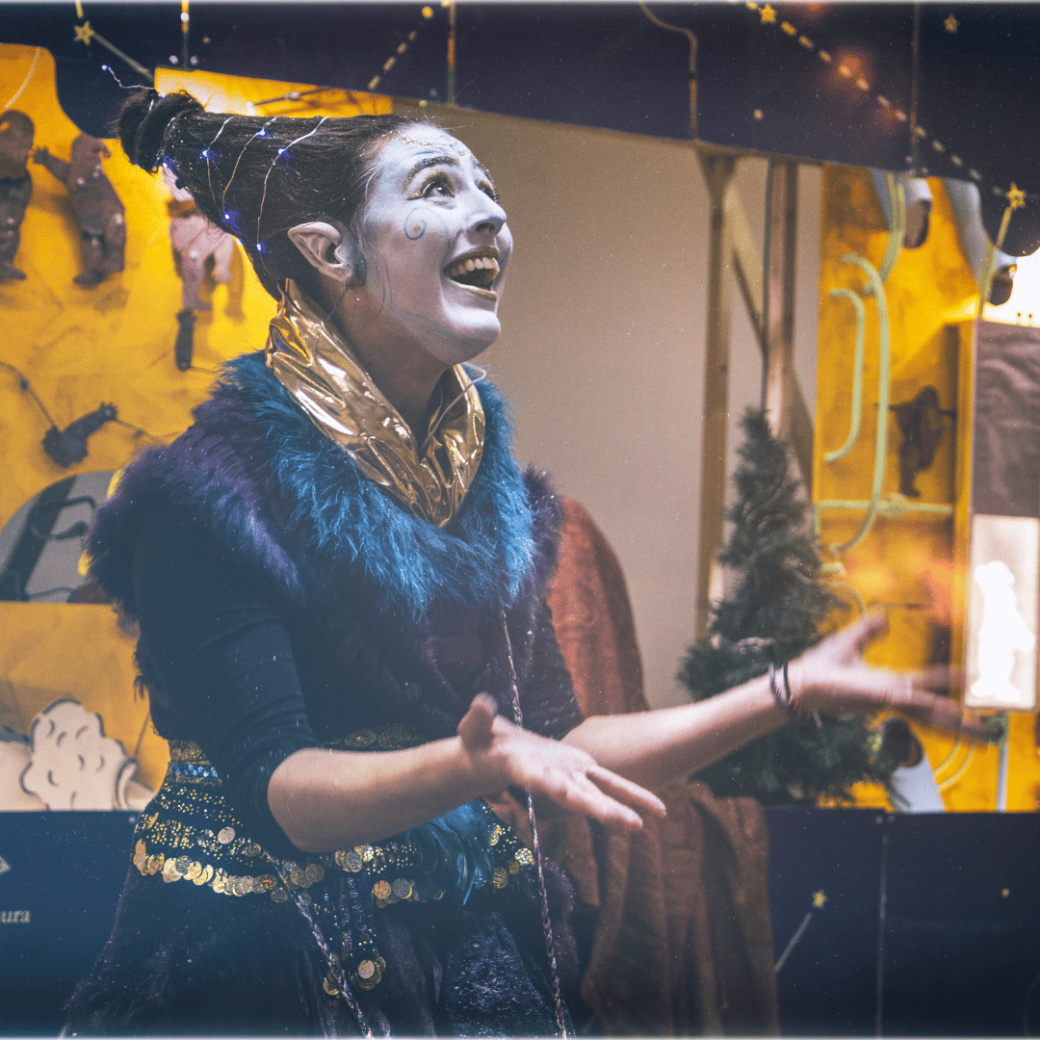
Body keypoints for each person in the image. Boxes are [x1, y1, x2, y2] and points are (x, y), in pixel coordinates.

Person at [65, 88, 988, 1037]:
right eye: (438, 187)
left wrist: (783, 693)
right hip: (264, 958)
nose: (491, 216)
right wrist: (472, 766)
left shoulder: (487, 496)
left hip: (443, 929)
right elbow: (283, 796)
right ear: (328, 250)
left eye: (490, 190)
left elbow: (563, 738)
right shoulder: (214, 495)